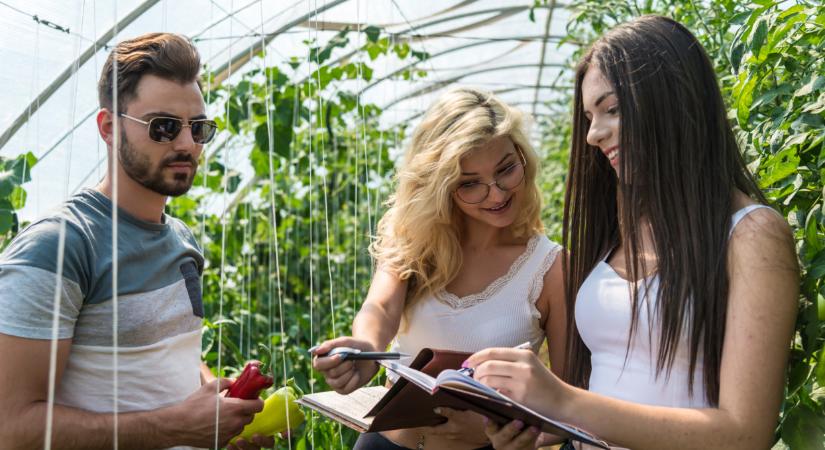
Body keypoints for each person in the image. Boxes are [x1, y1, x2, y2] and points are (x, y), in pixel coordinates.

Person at [465, 15, 799, 450]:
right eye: (588, 116)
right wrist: (537, 424)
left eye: (612, 109)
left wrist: (564, 400)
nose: (592, 134)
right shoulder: (618, 228)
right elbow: (614, 393)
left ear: (672, 98)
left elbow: (743, 434)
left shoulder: (751, 235)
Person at [0, 33, 273, 450]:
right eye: (163, 127)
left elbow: (165, 360)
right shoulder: (60, 247)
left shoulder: (180, 238)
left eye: (197, 128)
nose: (186, 144)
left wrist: (216, 411)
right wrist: (175, 427)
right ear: (110, 127)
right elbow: (12, 427)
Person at [311, 87, 567, 450]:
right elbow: (381, 307)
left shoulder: (550, 267)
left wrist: (501, 429)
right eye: (470, 184)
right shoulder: (415, 239)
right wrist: (366, 349)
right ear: (441, 186)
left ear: (524, 157)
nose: (496, 193)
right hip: (384, 444)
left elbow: (571, 396)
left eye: (506, 169)